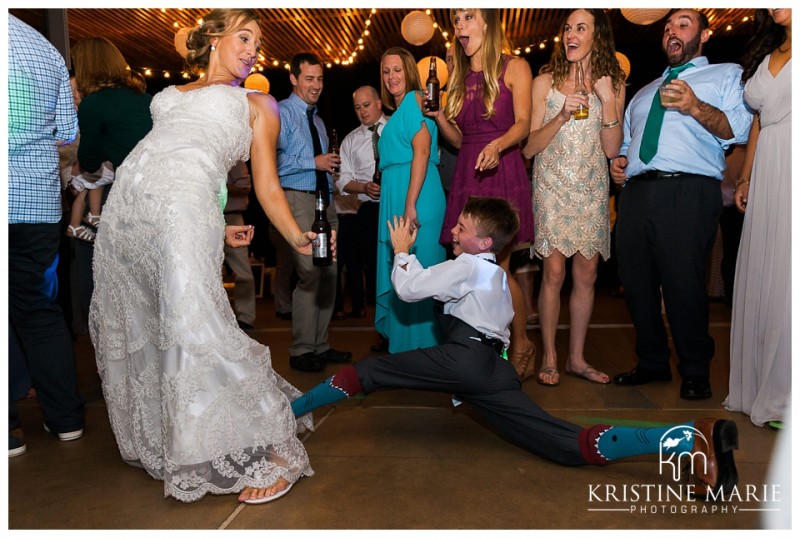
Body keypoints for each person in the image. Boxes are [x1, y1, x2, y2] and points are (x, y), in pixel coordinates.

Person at [290, 196, 740, 501]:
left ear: (484, 243)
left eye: (461, 227)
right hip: (493, 368)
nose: (453, 231)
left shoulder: (467, 265)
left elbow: (409, 291)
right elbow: (492, 325)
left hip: (466, 359)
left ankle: (288, 414)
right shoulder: (497, 277)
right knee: (567, 444)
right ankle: (691, 437)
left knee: (369, 372)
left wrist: (402, 251)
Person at [89, 9, 320, 503]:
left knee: (194, 319)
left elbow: (265, 185)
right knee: (145, 320)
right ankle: (175, 438)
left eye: (257, 43)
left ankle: (276, 448)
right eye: (244, 37)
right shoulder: (170, 95)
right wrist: (217, 227)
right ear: (214, 38)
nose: (253, 50)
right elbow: (171, 153)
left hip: (182, 208)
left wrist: (297, 235)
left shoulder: (258, 104)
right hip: (127, 213)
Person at [609, 9, 752, 400]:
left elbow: (739, 130)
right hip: (637, 193)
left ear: (704, 35)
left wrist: (694, 106)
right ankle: (652, 362)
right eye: (668, 27)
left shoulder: (726, 74)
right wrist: (621, 164)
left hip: (688, 191)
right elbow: (629, 143)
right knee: (635, 284)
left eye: (683, 24)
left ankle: (695, 370)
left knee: (683, 284)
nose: (672, 31)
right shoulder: (645, 91)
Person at [521, 8, 626, 386]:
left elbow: (612, 149)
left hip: (591, 188)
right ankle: (549, 356)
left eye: (581, 28)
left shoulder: (613, 83)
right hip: (551, 187)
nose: (571, 35)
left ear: (598, 36)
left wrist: (607, 100)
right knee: (553, 272)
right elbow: (529, 148)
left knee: (587, 274)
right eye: (568, 28)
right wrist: (561, 116)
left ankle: (576, 359)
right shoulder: (543, 83)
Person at [430, 9, 535, 380]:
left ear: (488, 23)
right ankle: (480, 350)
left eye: (467, 17)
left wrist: (498, 144)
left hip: (501, 168)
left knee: (499, 269)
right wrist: (439, 117)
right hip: (469, 170)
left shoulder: (515, 67)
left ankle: (521, 343)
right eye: (456, 20)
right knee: (471, 270)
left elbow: (523, 124)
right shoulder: (458, 75)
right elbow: (460, 140)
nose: (459, 26)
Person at [8, 13, 85, 457]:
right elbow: (69, 133)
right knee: (38, 311)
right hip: (36, 203)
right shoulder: (43, 48)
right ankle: (66, 419)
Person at [724, 8, 791, 427]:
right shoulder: (770, 52)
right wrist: (745, 176)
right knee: (766, 272)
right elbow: (758, 122)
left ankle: (787, 393)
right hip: (767, 166)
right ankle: (762, 386)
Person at [276, 52, 352, 372]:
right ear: (293, 78)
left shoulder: (318, 121)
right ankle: (301, 349)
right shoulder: (280, 113)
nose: (316, 85)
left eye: (320, 79)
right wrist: (314, 162)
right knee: (309, 272)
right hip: (298, 200)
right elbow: (272, 165)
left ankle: (320, 345)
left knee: (329, 272)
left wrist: (331, 178)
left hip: (325, 201)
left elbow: (321, 165)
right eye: (309, 78)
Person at [70, 36, 154, 321]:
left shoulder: (94, 103)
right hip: (153, 197)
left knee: (95, 272)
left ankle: (103, 338)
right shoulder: (146, 99)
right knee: (139, 283)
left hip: (120, 197)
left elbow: (89, 161)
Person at [375, 47, 447, 353]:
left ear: (409, 72)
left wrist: (410, 203)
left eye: (397, 70)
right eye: (386, 71)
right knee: (404, 274)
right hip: (398, 194)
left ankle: (426, 353)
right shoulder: (397, 112)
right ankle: (407, 352)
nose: (391, 77)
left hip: (416, 195)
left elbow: (422, 150)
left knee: (421, 272)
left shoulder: (416, 99)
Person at [336, 85, 387, 319]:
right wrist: (365, 187)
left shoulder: (396, 128)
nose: (362, 111)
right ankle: (381, 321)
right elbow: (342, 181)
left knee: (400, 261)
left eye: (366, 105)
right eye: (357, 107)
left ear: (379, 103)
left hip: (397, 205)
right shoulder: (350, 140)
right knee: (373, 265)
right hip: (368, 211)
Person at [223, 160, 257, 330]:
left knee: (243, 271)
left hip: (232, 216)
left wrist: (217, 186)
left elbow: (245, 187)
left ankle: (246, 317)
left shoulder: (235, 161)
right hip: (204, 216)